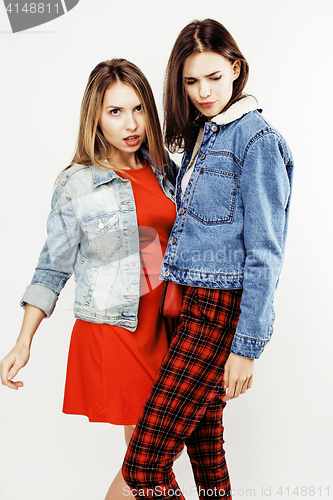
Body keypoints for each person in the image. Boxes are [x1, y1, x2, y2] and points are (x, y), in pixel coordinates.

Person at [122, 19, 294, 500]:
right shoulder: (206, 133)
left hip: (218, 312)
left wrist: (247, 347)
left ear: (236, 69)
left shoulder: (256, 141)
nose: (202, 91)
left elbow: (266, 253)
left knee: (144, 466)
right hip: (185, 303)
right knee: (206, 453)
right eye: (191, 81)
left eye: (214, 78)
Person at [0, 58, 178, 500]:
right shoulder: (78, 184)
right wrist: (24, 340)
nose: (130, 123)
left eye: (137, 109)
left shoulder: (164, 170)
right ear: (95, 118)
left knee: (150, 456)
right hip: (118, 330)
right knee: (148, 456)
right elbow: (53, 265)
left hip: (169, 325)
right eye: (115, 112)